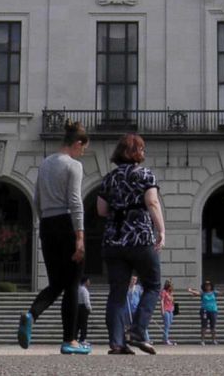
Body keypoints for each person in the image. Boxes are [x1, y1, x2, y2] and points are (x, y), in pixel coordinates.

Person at [20, 121, 89, 355]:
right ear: (77, 143)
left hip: (47, 224)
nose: (83, 153)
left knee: (57, 283)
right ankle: (70, 340)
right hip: (66, 223)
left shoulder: (45, 164)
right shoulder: (73, 165)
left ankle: (32, 314)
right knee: (72, 284)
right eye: (83, 148)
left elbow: (36, 199)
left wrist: (44, 222)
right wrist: (79, 237)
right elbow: (75, 201)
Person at [97, 133, 165, 355]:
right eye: (141, 149)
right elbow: (152, 202)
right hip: (140, 238)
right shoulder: (145, 175)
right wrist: (161, 230)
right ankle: (137, 330)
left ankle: (117, 343)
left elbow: (101, 210)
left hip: (113, 240)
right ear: (131, 152)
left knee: (117, 292)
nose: (143, 153)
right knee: (153, 284)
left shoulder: (108, 178)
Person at [198, 280, 219, 344]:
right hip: (204, 311)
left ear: (211, 286)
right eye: (206, 285)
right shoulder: (203, 293)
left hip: (213, 311)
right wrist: (190, 290)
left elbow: (222, 293)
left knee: (213, 326)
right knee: (204, 326)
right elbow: (196, 293)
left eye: (209, 285)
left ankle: (214, 340)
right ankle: (202, 340)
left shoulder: (214, 292)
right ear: (204, 286)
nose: (208, 286)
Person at [76, 276, 92, 348]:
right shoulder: (84, 290)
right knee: (84, 324)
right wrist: (89, 308)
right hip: (83, 308)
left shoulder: (78, 289)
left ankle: (75, 338)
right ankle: (82, 339)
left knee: (77, 324)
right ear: (85, 282)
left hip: (78, 307)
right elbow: (86, 301)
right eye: (88, 281)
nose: (89, 282)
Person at [161, 280, 177, 346]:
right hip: (166, 310)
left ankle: (164, 338)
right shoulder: (164, 292)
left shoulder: (171, 293)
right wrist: (162, 310)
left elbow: (173, 302)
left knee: (169, 325)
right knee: (166, 325)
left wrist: (174, 309)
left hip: (171, 310)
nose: (172, 287)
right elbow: (162, 301)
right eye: (170, 286)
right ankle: (166, 339)